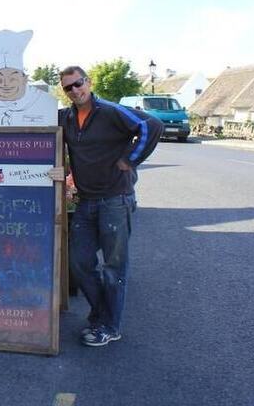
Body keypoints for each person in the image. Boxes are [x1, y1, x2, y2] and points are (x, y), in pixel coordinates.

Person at [52, 65, 163, 347]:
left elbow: (151, 125)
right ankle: (103, 315)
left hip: (115, 199)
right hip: (86, 201)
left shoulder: (111, 111)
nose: (75, 90)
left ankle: (109, 326)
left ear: (88, 82)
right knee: (79, 262)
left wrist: (130, 160)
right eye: (68, 87)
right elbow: (26, 118)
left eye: (78, 83)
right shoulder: (66, 118)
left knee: (114, 267)